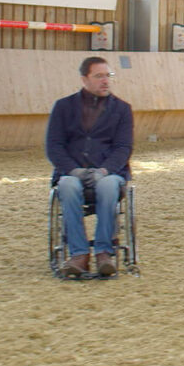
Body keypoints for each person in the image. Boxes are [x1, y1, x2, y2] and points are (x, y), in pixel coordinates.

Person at [47, 56, 134, 278]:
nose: (105, 80)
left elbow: (123, 148)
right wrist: (73, 170)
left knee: (108, 187)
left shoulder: (122, 109)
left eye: (108, 75)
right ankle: (79, 254)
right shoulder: (63, 107)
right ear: (84, 79)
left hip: (109, 173)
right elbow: (54, 146)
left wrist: (103, 171)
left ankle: (104, 252)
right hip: (72, 172)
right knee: (67, 186)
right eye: (99, 76)